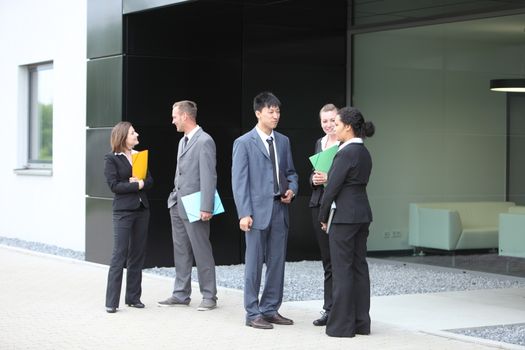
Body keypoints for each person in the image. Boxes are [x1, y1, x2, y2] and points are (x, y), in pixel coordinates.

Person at [231, 91, 299, 329]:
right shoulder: (243, 143)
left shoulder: (283, 141)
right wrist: (244, 213)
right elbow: (239, 182)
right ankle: (252, 313)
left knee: (277, 262)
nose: (276, 115)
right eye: (271, 111)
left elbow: (291, 173)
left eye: (278, 111)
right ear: (258, 113)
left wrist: (292, 189)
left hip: (280, 209)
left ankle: (270, 309)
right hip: (256, 212)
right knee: (254, 263)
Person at [318, 106, 375, 337]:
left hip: (343, 217)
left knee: (342, 270)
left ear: (348, 127)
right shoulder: (364, 153)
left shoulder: (345, 153)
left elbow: (331, 188)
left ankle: (342, 326)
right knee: (359, 268)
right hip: (362, 214)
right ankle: (362, 322)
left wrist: (323, 217)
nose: (334, 128)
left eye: (338, 125)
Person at [158, 100, 218, 311]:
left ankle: (209, 296)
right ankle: (181, 294)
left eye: (174, 116)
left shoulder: (204, 141)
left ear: (185, 116)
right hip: (177, 203)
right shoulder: (182, 141)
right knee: (181, 250)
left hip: (196, 205)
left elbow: (209, 176)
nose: (172, 120)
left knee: (202, 251)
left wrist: (206, 207)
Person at [104, 121, 154, 313]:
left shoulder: (139, 156)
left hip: (142, 210)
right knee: (119, 254)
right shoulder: (111, 158)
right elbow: (114, 186)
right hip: (123, 212)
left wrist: (141, 183)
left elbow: (149, 180)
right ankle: (111, 302)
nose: (137, 135)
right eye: (133, 133)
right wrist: (136, 185)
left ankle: (133, 298)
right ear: (123, 136)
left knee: (137, 255)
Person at [308, 103, 339, 326]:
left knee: (340, 260)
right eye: (324, 121)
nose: (328, 125)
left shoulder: (346, 143)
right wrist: (314, 179)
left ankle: (342, 309)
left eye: (332, 120)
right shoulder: (320, 142)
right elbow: (312, 174)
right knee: (327, 260)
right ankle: (328, 309)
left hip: (339, 206)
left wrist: (330, 179)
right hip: (319, 204)